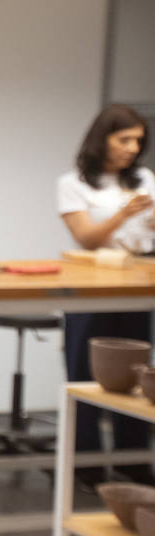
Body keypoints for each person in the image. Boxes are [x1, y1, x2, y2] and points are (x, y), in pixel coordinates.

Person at [59, 104, 155, 489]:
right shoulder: (73, 183)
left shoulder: (146, 178)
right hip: (90, 284)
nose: (132, 148)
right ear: (103, 140)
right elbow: (86, 238)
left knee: (134, 373)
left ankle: (133, 460)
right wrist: (123, 215)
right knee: (85, 371)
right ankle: (86, 463)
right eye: (124, 139)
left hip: (136, 282)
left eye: (138, 140)